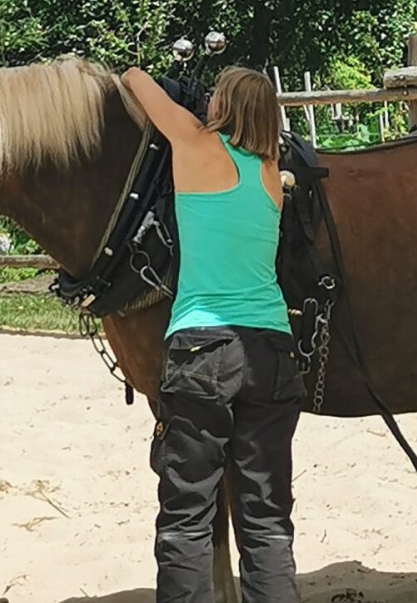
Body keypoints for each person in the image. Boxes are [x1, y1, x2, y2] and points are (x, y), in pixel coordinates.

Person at [120, 64, 303, 603]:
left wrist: (133, 67)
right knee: (267, 519)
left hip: (202, 346)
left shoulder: (196, 145)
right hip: (270, 349)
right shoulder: (270, 170)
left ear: (223, 107)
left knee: (186, 516)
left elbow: (139, 86)